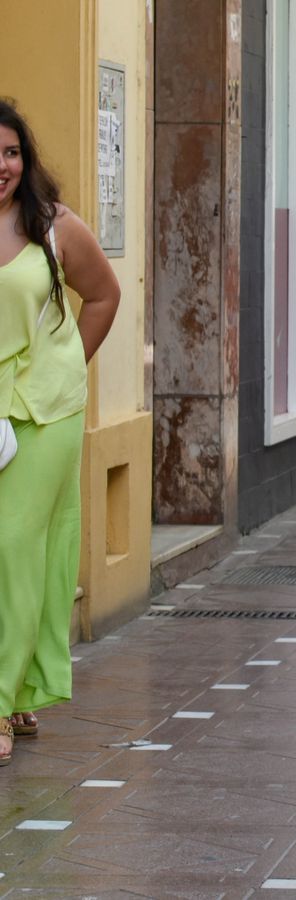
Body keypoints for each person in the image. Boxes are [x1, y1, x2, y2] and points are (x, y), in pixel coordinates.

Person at [0, 99, 121, 767]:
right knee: (24, 557)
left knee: (15, 545)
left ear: (27, 159)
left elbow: (103, 296)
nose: (2, 166)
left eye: (11, 152)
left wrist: (66, 366)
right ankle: (21, 682)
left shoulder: (52, 228)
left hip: (45, 413)